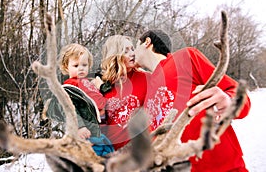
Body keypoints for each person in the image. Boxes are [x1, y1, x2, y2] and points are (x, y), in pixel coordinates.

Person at [134, 29, 251, 172]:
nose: (133, 52)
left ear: (147, 42)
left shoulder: (185, 57)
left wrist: (228, 101)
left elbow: (241, 98)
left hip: (222, 167)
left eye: (135, 46)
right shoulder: (148, 85)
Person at [46, 43, 114, 156]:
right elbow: (69, 109)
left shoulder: (89, 83)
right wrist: (80, 127)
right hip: (86, 133)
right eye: (76, 65)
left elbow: (100, 97)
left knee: (108, 157)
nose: (81, 68)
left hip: (101, 131)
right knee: (93, 160)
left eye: (84, 65)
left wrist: (103, 86)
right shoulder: (70, 87)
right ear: (66, 67)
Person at [98, 35, 150, 150]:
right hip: (111, 154)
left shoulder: (146, 78)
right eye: (126, 51)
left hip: (137, 151)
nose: (132, 53)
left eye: (132, 49)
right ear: (115, 55)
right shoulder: (103, 86)